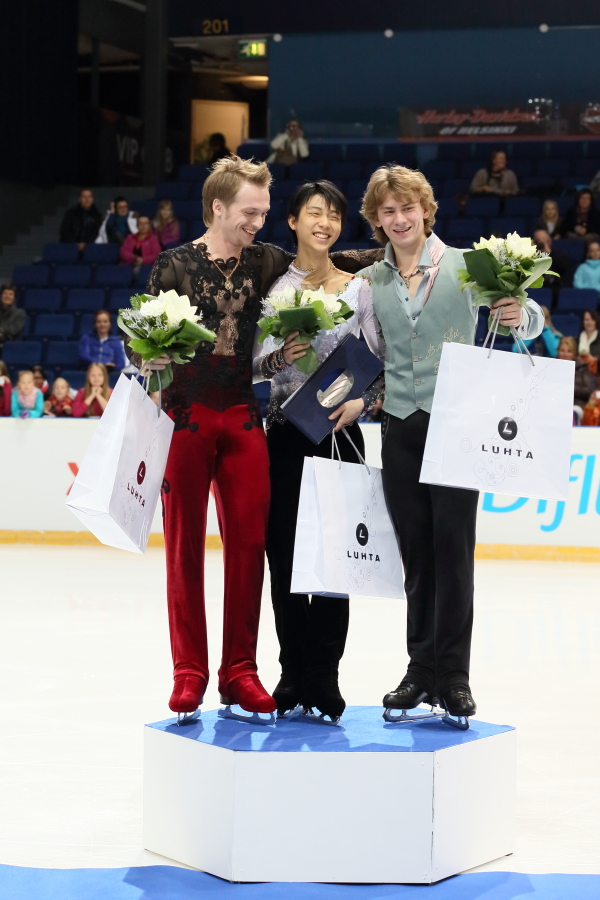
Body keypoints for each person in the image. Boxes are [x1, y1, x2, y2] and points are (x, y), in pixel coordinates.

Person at [132, 155, 380, 723]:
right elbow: (140, 342)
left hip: (245, 418)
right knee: (184, 548)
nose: (258, 223)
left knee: (251, 549)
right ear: (217, 207)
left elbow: (331, 259)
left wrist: (406, 251)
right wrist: (153, 358)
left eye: (266, 213)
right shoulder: (172, 265)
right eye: (250, 212)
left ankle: (240, 670)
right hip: (187, 419)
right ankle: (188, 670)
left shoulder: (266, 259)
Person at [357, 165, 543, 721]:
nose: (398, 219)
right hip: (398, 427)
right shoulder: (371, 281)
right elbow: (370, 350)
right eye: (387, 212)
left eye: (406, 208)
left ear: (425, 209)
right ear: (377, 219)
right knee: (417, 558)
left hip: (457, 427)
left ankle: (454, 677)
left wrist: (518, 314)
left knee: (453, 556)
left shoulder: (465, 265)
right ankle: (420, 671)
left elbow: (529, 319)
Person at [253, 181, 385, 721]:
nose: (325, 222)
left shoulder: (358, 290)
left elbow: (378, 364)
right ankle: (291, 671)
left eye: (333, 214)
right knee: (284, 556)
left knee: (338, 558)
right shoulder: (277, 289)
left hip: (341, 433)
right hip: (286, 432)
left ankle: (325, 675)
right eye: (314, 213)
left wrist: (363, 404)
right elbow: (256, 368)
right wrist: (284, 355)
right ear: (292, 222)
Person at [558, 336, 598, 423]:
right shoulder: (551, 366)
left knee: (571, 413)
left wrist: (569, 388)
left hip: (576, 404)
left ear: (574, 354)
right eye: (562, 350)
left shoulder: (582, 368)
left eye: (569, 351)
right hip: (555, 403)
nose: (565, 354)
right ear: (558, 351)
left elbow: (589, 391)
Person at [533, 229, 570, 299]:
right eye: (537, 240)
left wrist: (549, 253)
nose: (540, 243)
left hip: (555, 291)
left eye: (544, 240)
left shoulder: (559, 255)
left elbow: (564, 268)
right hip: (536, 292)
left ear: (549, 241)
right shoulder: (530, 257)